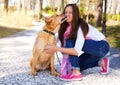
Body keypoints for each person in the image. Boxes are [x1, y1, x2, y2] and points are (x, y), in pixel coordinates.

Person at [44, 4, 110, 81]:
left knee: (70, 40)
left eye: (70, 12)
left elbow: (76, 51)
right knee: (75, 64)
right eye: (66, 12)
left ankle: (76, 73)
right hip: (93, 53)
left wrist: (56, 48)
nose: (67, 14)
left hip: (102, 46)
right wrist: (46, 44)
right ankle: (101, 62)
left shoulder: (80, 26)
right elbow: (55, 39)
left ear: (75, 14)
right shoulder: (64, 27)